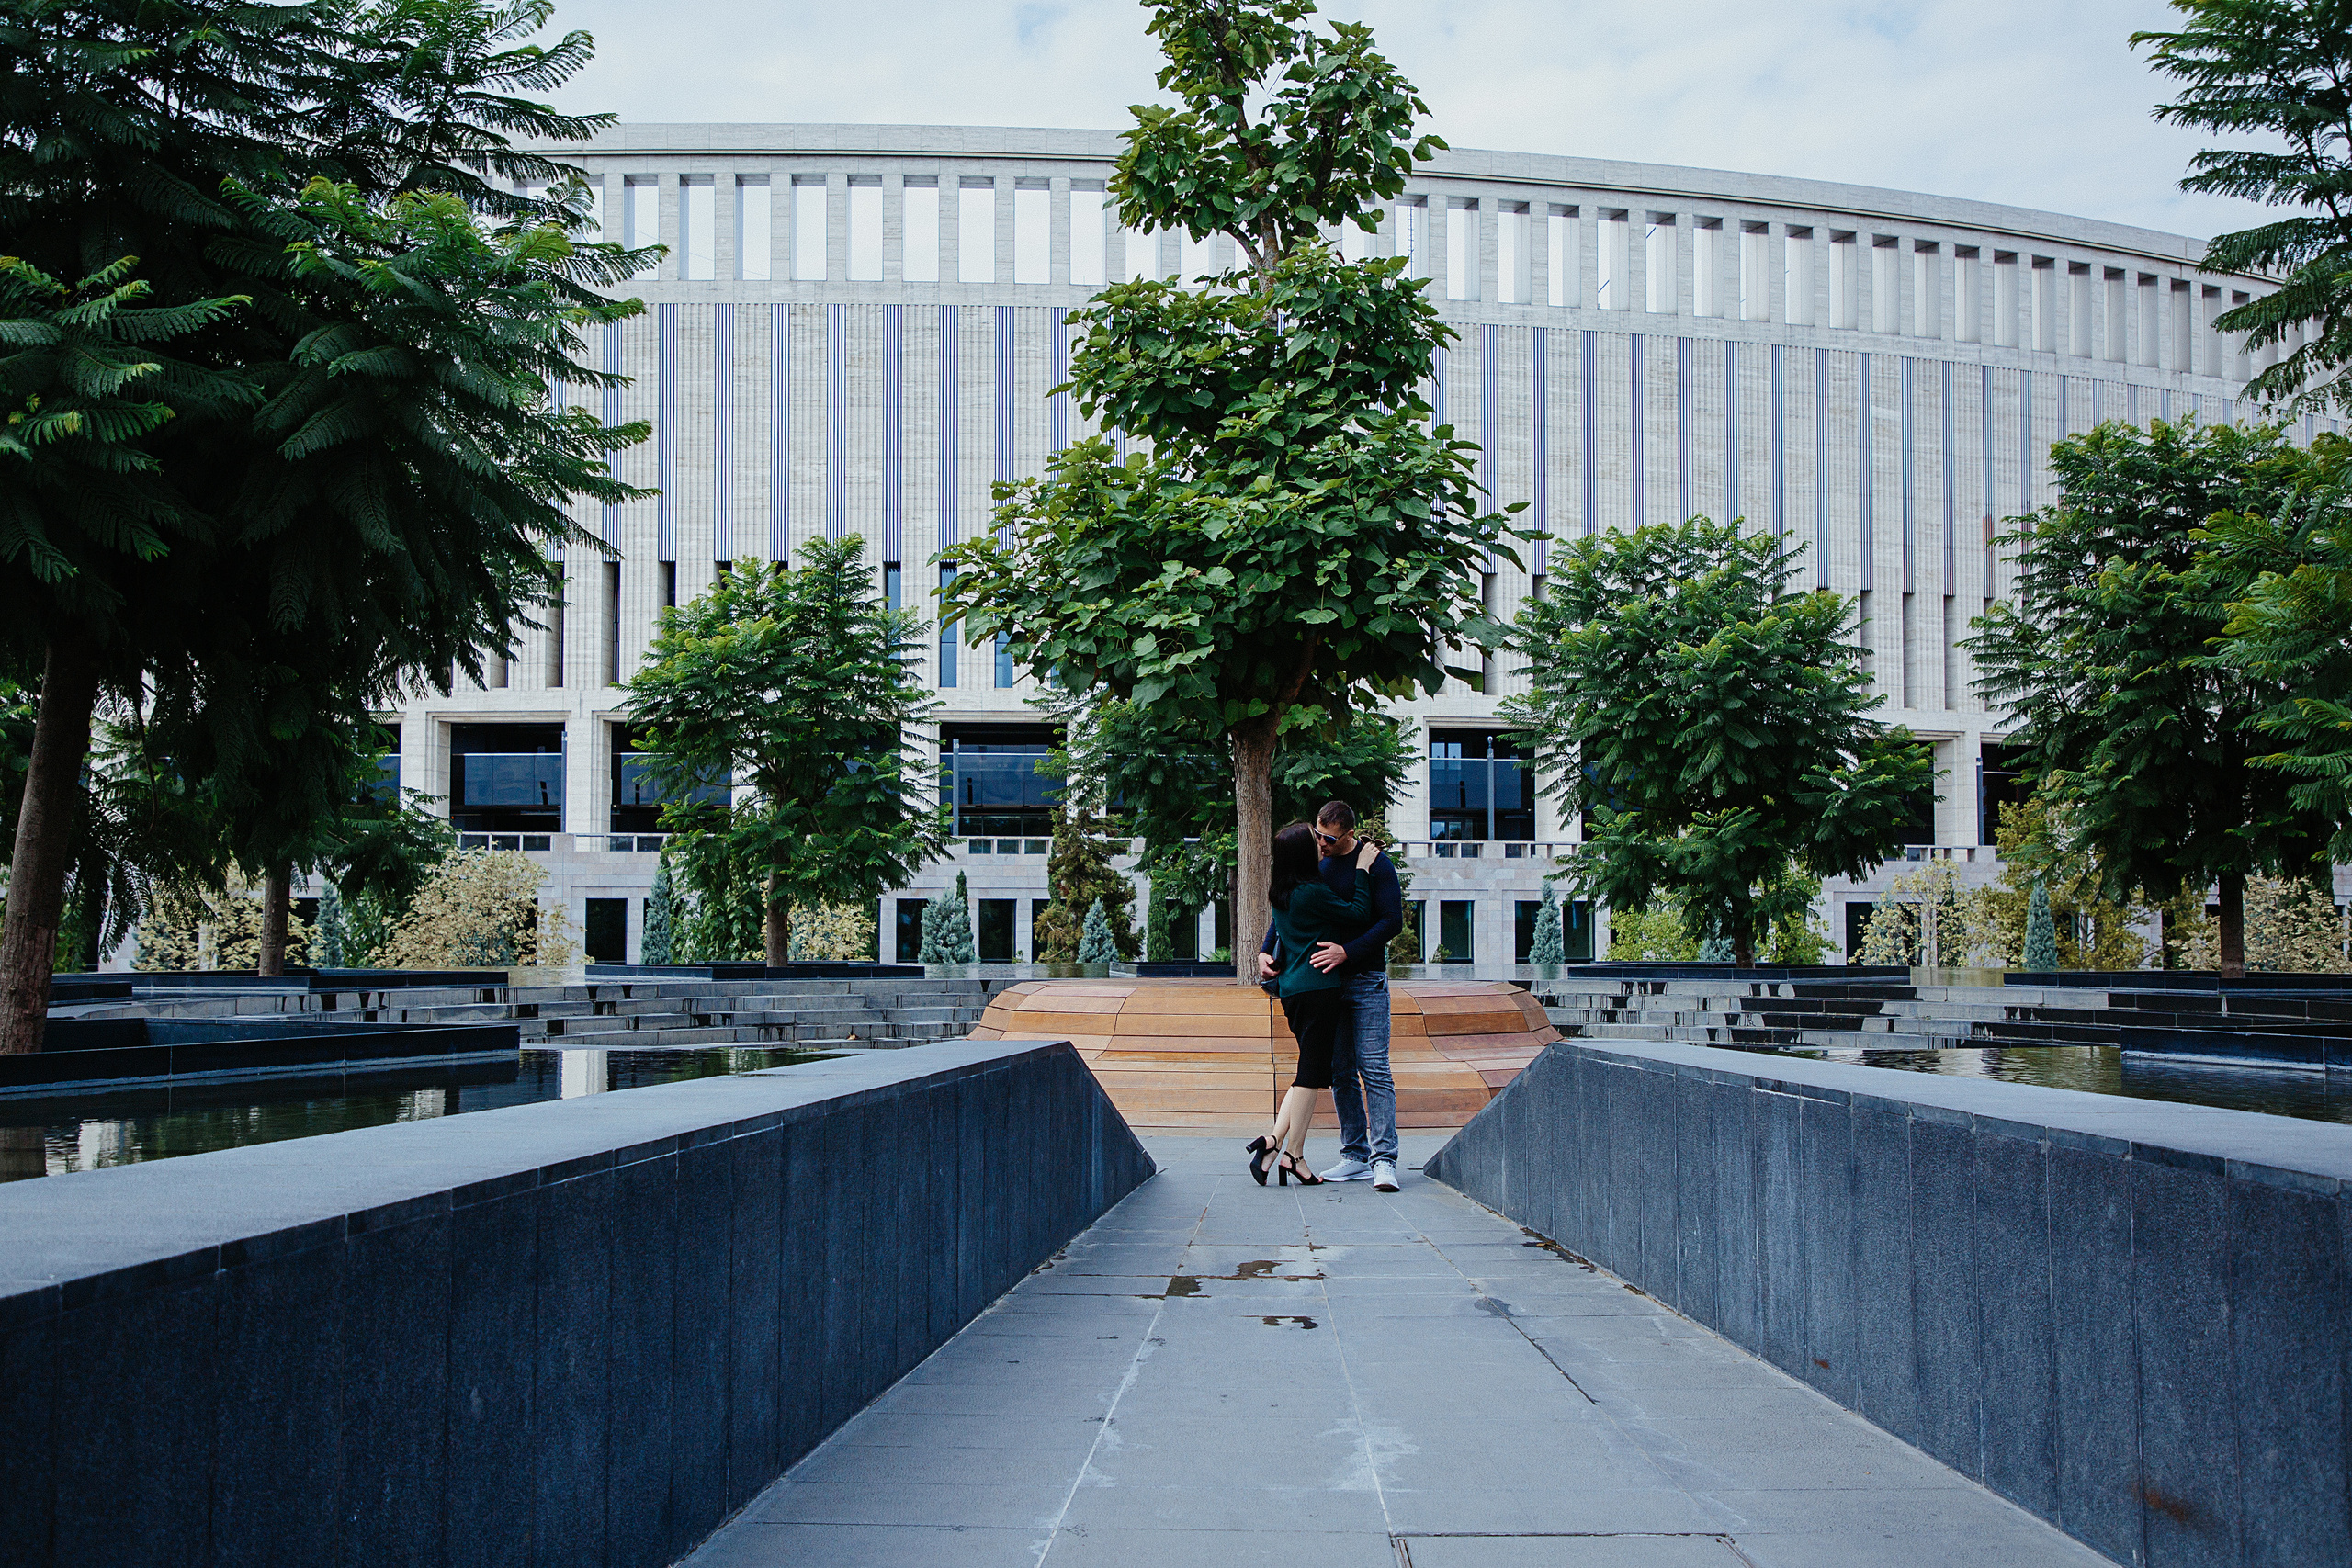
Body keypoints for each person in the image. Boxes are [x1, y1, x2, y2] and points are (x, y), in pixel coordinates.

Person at [1256, 801, 1403, 1190]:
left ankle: (1383, 1159)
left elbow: (1391, 920)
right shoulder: (1314, 864)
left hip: (1364, 978)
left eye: (1328, 837)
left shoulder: (1375, 864)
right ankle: (1354, 1155)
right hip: (1325, 984)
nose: (1320, 842)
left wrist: (1347, 952)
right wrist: (1264, 950)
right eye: (1317, 834)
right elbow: (1286, 908)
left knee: (1373, 1068)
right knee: (1339, 1073)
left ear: (1349, 834)